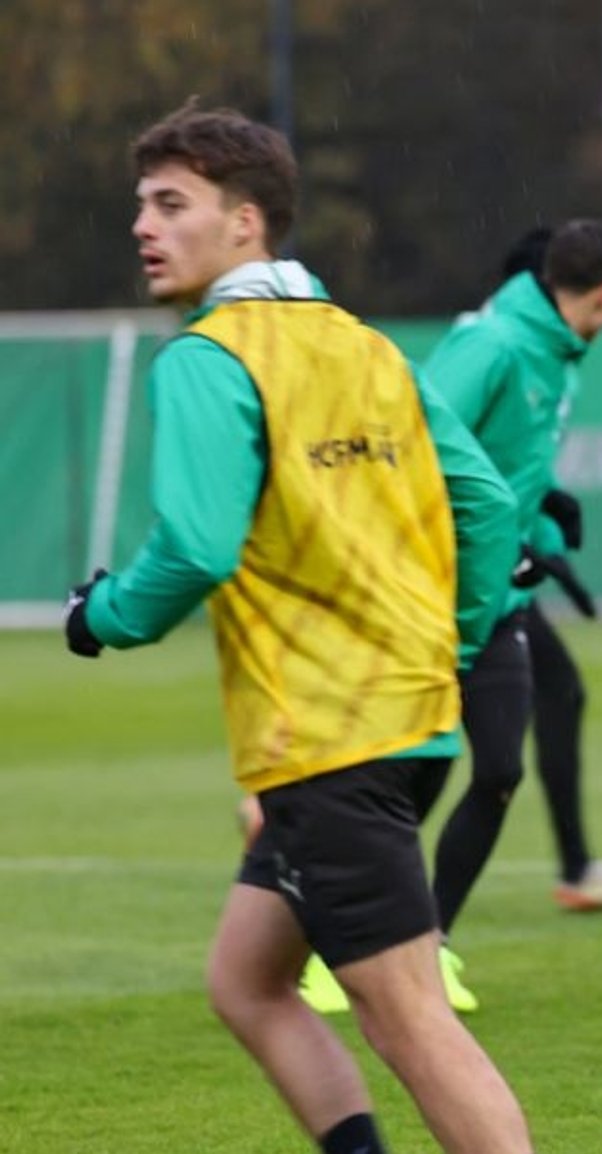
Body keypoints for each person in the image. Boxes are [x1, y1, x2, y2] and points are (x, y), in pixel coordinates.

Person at [66, 102, 532, 1153]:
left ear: (245, 225)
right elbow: (490, 506)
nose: (144, 225)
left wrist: (98, 616)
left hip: (328, 740)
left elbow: (192, 547)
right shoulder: (363, 347)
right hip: (404, 728)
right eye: (141, 204)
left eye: (171, 203)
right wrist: (450, 650)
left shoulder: (206, 357)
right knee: (248, 980)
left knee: (404, 1014)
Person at [408, 219, 602, 1011]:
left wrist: (543, 518)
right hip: (442, 587)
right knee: (420, 770)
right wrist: (487, 543)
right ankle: (315, 884)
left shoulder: (556, 349)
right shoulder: (495, 347)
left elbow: (507, 459)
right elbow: (411, 450)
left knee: (497, 762)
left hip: (498, 586)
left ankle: (427, 942)